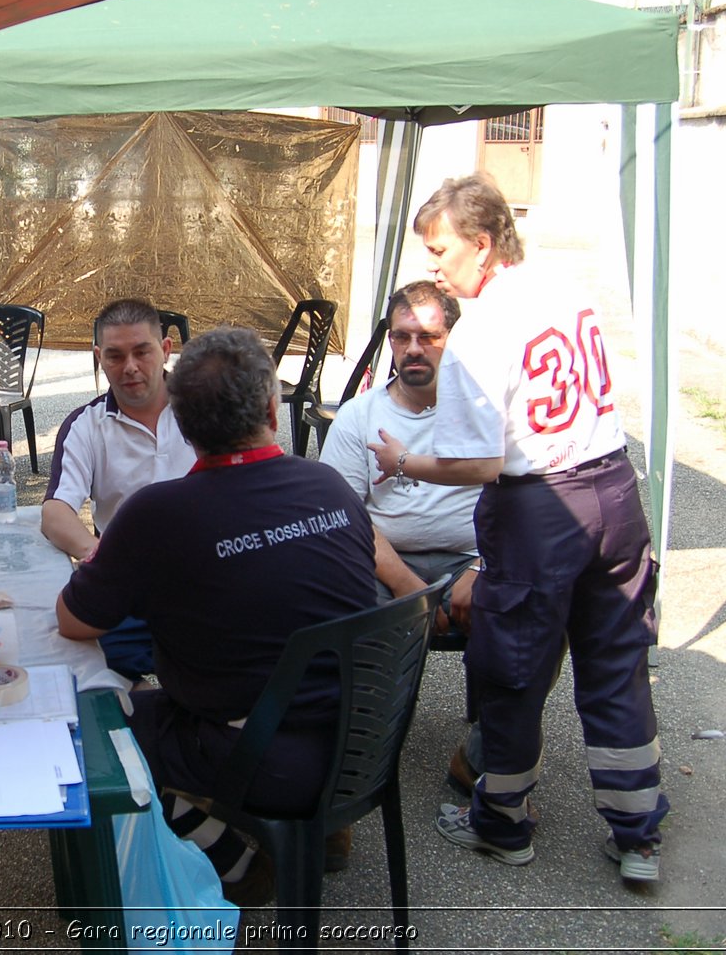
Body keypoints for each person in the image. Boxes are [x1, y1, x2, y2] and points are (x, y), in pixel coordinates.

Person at [367, 173, 667, 882]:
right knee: (616, 662)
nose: (434, 266)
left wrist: (403, 459)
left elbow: (479, 463)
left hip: (542, 509)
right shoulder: (563, 289)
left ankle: (501, 824)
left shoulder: (482, 333)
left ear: (480, 242)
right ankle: (638, 834)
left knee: (512, 669)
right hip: (614, 490)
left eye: (441, 250)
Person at [56, 325, 377, 905]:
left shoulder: (155, 513)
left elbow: (75, 623)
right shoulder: (329, 486)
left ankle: (235, 860)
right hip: (363, 742)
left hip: (258, 755)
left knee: (88, 727)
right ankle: (321, 832)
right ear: (273, 411)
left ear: (184, 422)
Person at [319, 280, 485, 791]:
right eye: (401, 336)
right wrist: (407, 584)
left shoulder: (485, 410)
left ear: (453, 338)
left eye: (428, 336)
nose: (413, 348)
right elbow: (343, 517)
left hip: (472, 560)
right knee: (335, 613)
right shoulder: (359, 416)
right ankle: (349, 775)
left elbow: (521, 504)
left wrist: (486, 566)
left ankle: (487, 754)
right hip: (383, 559)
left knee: (537, 612)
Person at [41, 298, 196, 678]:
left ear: (165, 350)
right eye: (114, 356)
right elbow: (55, 511)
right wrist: (99, 556)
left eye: (142, 352)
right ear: (99, 358)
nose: (129, 368)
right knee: (71, 652)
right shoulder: (87, 425)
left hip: (202, 576)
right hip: (129, 584)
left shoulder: (203, 410)